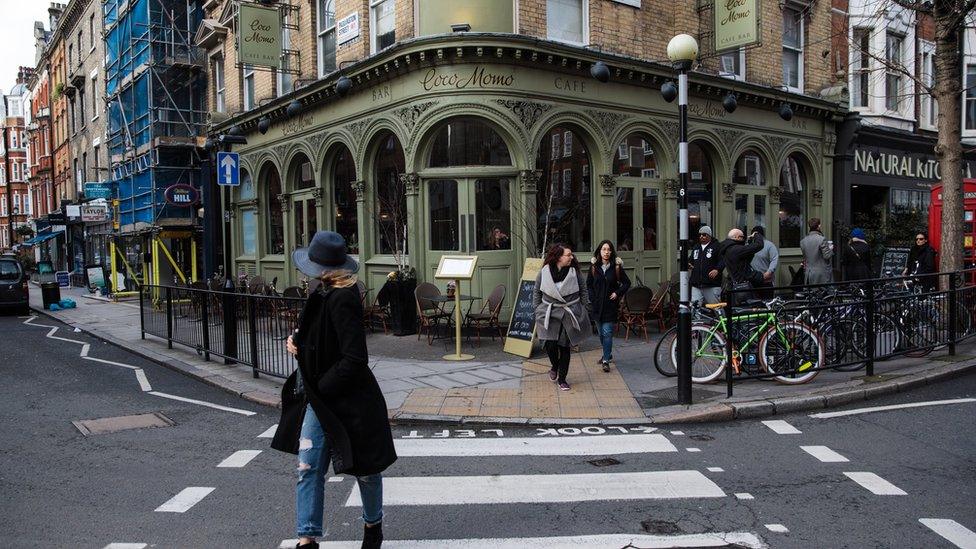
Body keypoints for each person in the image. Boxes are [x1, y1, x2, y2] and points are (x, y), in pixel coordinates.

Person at [274, 231, 396, 549]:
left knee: (366, 470)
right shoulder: (322, 291)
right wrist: (296, 343)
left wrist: (323, 386)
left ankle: (373, 528)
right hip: (320, 398)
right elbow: (316, 334)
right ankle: (307, 539)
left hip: (349, 399)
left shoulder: (344, 298)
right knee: (308, 465)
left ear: (325, 268)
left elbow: (355, 357)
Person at [534, 243, 591, 391]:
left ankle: (563, 379)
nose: (571, 257)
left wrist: (585, 308)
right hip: (549, 313)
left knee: (565, 347)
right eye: (568, 255)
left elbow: (583, 290)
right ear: (559, 257)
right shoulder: (544, 272)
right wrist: (537, 308)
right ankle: (554, 366)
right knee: (549, 344)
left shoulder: (574, 272)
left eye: (571, 255)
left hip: (568, 312)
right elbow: (537, 291)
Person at [587, 240, 631, 372]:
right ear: (599, 251)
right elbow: (588, 284)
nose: (606, 252)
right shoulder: (594, 267)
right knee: (601, 334)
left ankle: (606, 360)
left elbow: (627, 283)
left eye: (609, 249)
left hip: (610, 306)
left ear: (612, 252)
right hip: (597, 306)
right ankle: (608, 353)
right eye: (604, 249)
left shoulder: (616, 268)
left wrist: (617, 293)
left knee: (607, 333)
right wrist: (592, 298)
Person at [716, 228, 765, 303]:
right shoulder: (735, 249)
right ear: (736, 237)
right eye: (742, 237)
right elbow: (759, 245)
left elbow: (747, 258)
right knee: (750, 309)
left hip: (736, 285)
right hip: (743, 287)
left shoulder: (727, 249)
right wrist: (756, 234)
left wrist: (750, 242)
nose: (743, 239)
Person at [689, 225, 723, 305]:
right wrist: (690, 264)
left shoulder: (717, 246)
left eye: (704, 234)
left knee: (716, 307)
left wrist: (717, 269)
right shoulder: (696, 247)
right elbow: (691, 260)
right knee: (695, 308)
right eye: (700, 235)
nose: (701, 236)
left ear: (709, 235)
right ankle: (696, 318)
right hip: (696, 284)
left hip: (711, 284)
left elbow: (723, 260)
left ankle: (719, 318)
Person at [800, 218, 834, 285]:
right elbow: (827, 256)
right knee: (824, 294)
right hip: (822, 274)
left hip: (808, 273)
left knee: (811, 293)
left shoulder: (803, 241)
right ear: (819, 226)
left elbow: (805, 257)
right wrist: (830, 249)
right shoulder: (821, 239)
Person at [749, 226, 779, 299]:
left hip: (766, 280)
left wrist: (769, 272)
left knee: (767, 302)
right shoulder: (750, 246)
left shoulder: (769, 245)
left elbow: (774, 259)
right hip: (752, 280)